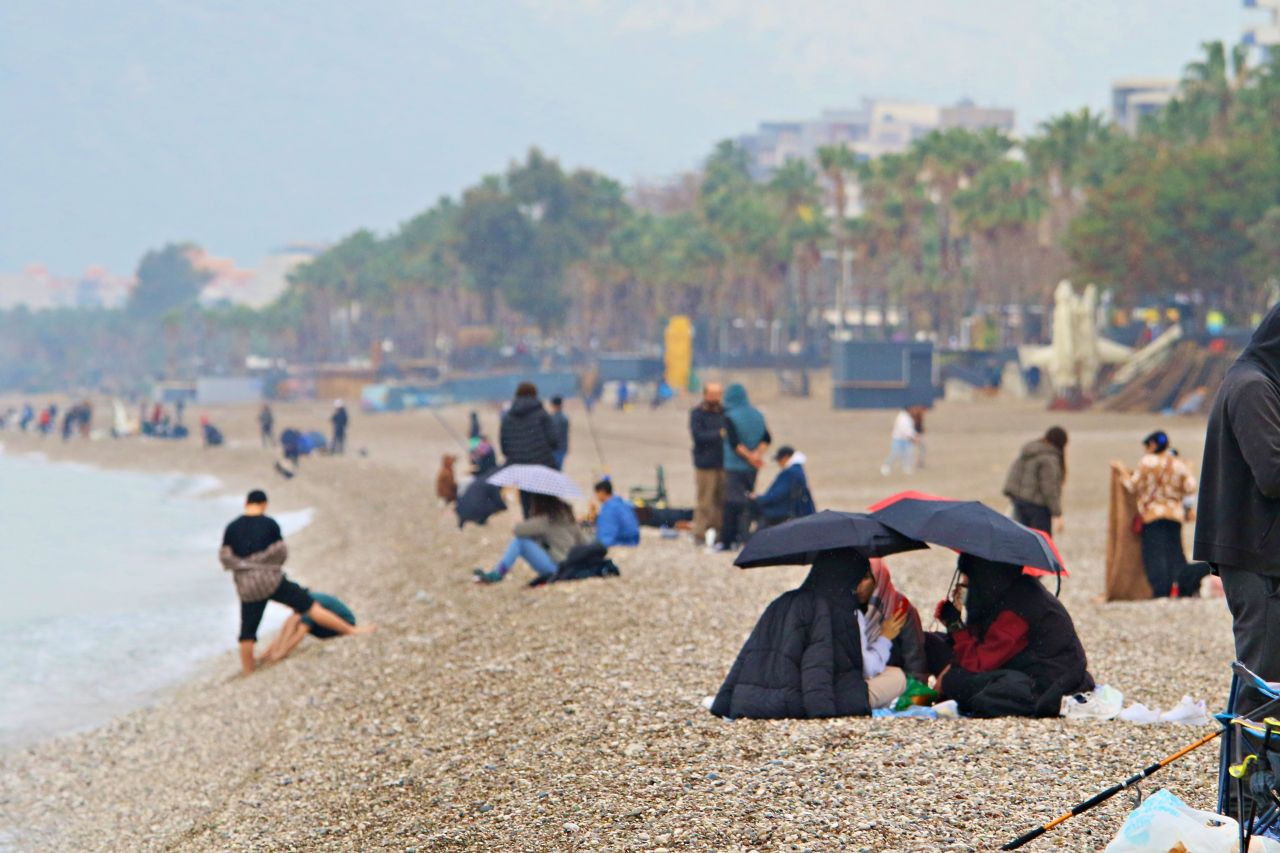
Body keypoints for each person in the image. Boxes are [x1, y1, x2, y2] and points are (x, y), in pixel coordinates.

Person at [1196, 304, 1280, 714]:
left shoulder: (1260, 380)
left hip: (1260, 555)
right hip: (1257, 559)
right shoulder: (1253, 387)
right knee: (1264, 685)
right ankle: (1248, 778)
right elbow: (1273, 474)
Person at [710, 548, 902, 719]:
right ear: (851, 579)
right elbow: (819, 666)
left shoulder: (782, 601)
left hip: (750, 700)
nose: (870, 584)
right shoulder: (838, 611)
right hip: (798, 701)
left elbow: (748, 654)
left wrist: (723, 701)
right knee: (898, 677)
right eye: (865, 576)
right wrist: (821, 712)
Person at [219, 490, 373, 674]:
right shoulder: (269, 524)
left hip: (247, 586)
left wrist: (246, 565)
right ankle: (350, 630)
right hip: (271, 581)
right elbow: (280, 552)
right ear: (264, 504)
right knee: (309, 606)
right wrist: (262, 563)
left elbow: (225, 556)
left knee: (247, 630)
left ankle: (247, 670)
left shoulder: (231, 527)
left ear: (246, 503)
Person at [930, 554, 1093, 718]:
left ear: (984, 580)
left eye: (967, 581)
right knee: (932, 643)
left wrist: (955, 626)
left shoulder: (1021, 606)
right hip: (1012, 666)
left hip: (1047, 683)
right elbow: (979, 643)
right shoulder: (1001, 594)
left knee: (957, 681)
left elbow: (980, 662)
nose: (963, 588)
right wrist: (954, 624)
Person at [1111, 430, 1201, 598]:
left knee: (1155, 555)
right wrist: (1187, 509)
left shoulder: (1148, 462)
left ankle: (1161, 591)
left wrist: (1121, 472)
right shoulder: (1179, 464)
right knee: (1174, 553)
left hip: (1152, 515)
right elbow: (1190, 487)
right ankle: (1182, 587)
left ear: (1152, 445)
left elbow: (1133, 486)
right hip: (1175, 515)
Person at [473, 493, 587, 584]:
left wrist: (531, 515)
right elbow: (583, 541)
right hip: (571, 565)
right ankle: (497, 571)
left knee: (520, 542)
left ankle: (498, 572)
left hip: (556, 568)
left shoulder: (545, 520)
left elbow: (518, 530)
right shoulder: (568, 517)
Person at [859, 559, 929, 683]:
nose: (858, 585)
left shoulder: (899, 608)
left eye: (865, 578)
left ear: (879, 579)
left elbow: (915, 662)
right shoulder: (845, 608)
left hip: (893, 688)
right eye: (854, 578)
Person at [720, 383, 770, 550]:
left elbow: (735, 443)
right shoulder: (758, 414)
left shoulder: (730, 416)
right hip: (752, 468)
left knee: (733, 502)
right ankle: (745, 537)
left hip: (735, 466)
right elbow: (767, 438)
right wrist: (756, 456)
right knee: (748, 499)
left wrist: (748, 457)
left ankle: (730, 539)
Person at [499, 383, 560, 517]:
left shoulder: (508, 417)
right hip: (541, 465)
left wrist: (516, 455)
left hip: (520, 467)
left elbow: (504, 446)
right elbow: (554, 441)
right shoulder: (542, 414)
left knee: (526, 501)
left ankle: (528, 525)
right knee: (543, 502)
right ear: (534, 394)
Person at [259, 591, 358, 666]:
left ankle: (281, 652)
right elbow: (286, 630)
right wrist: (269, 650)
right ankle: (271, 652)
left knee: (295, 620)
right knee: (292, 620)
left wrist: (283, 652)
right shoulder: (306, 599)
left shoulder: (308, 605)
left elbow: (300, 634)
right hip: (342, 623)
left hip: (344, 626)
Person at [1002, 426, 1068, 534]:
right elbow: (1049, 489)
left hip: (1019, 502)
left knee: (1023, 540)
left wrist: (1013, 496)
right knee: (1042, 542)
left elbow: (1014, 475)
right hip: (1038, 509)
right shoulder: (1049, 459)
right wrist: (1057, 513)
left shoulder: (1028, 451)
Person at [689, 382, 726, 545]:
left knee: (722, 501)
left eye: (717, 394)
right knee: (704, 501)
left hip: (723, 464)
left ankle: (720, 534)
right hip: (705, 465)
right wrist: (718, 434)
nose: (714, 398)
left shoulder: (726, 413)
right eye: (712, 394)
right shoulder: (697, 413)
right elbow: (698, 436)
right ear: (705, 395)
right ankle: (699, 534)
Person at [752, 446, 816, 529]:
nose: (778, 463)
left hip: (782, 512)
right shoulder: (798, 470)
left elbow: (776, 495)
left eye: (779, 459)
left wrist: (758, 498)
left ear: (786, 457)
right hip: (796, 512)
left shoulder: (789, 472)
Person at [593, 479, 640, 547]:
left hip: (621, 542)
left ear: (602, 492)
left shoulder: (609, 508)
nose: (596, 497)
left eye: (597, 493)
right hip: (633, 540)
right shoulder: (623, 504)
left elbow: (606, 536)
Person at [880, 407, 918, 476]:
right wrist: (914, 436)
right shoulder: (903, 417)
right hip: (898, 439)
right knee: (895, 453)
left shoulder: (908, 417)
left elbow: (910, 429)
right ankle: (886, 466)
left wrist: (913, 435)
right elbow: (905, 429)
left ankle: (906, 467)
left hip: (906, 439)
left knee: (908, 454)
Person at [549, 396, 570, 470]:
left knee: (555, 469)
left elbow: (554, 435)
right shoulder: (565, 417)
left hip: (555, 448)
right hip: (562, 447)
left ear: (553, 405)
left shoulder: (553, 418)